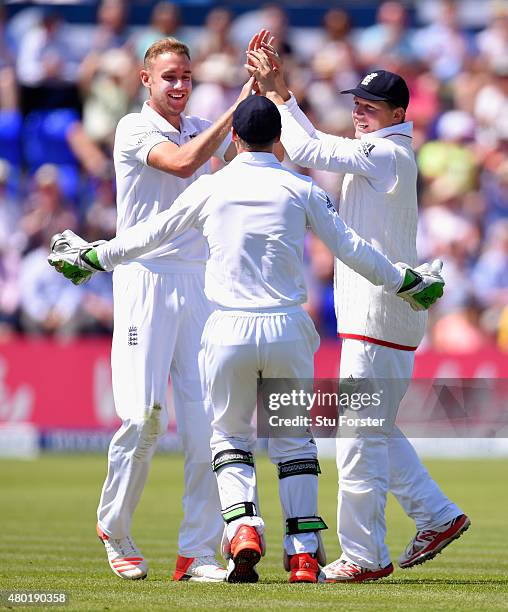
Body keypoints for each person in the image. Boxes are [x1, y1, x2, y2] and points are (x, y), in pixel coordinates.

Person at [48, 95, 444, 583]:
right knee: (293, 439)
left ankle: (242, 528)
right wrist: (405, 281)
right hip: (286, 330)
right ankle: (302, 552)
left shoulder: (211, 187)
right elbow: (352, 248)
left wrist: (94, 256)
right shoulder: (300, 186)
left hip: (228, 329)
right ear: (279, 143)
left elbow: (151, 234)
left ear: (233, 138)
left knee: (230, 436)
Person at [246, 36, 470, 582]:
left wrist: (280, 95)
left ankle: (365, 556)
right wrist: (280, 93)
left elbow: (309, 150)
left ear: (397, 114)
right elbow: (318, 152)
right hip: (375, 318)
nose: (360, 114)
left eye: (370, 108)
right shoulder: (382, 154)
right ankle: (437, 516)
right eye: (357, 105)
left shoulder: (387, 154)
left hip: (378, 319)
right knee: (373, 429)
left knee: (357, 440)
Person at [76, 36, 255, 583]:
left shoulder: (202, 127)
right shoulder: (134, 128)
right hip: (145, 279)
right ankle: (116, 528)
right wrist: (237, 107)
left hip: (198, 283)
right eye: (170, 77)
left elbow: (250, 165)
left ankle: (197, 551)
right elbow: (180, 165)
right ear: (146, 79)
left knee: (207, 427)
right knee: (143, 417)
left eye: (186, 77)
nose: (180, 86)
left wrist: (265, 95)